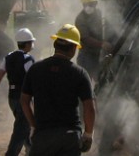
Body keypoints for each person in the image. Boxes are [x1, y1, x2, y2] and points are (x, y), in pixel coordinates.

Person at [21, 24, 96, 155]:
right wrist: (88, 134)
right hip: (70, 138)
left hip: (43, 137)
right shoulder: (79, 73)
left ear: (55, 44)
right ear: (73, 48)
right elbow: (89, 108)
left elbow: (24, 101)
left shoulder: (35, 69)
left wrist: (33, 126)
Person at [0, 28, 37, 156]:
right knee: (21, 128)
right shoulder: (28, 59)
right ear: (27, 44)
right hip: (23, 99)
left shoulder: (8, 57)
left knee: (23, 125)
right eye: (30, 42)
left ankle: (31, 150)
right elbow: (33, 79)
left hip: (12, 98)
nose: (32, 45)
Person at [74, 0, 111, 79]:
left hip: (98, 54)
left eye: (90, 4)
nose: (88, 6)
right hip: (86, 56)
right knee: (85, 81)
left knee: (100, 80)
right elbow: (85, 39)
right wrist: (102, 44)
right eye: (85, 4)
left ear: (95, 3)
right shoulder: (80, 19)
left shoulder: (98, 13)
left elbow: (103, 27)